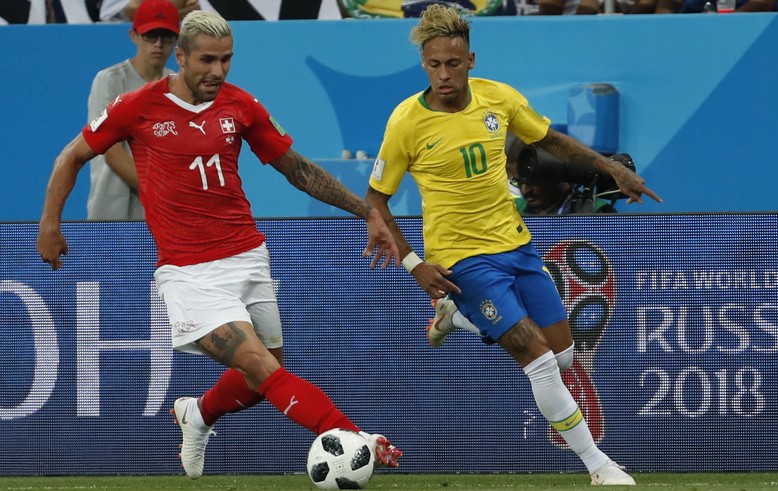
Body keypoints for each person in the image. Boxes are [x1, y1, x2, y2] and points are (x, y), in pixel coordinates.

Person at [37, 9, 402, 480]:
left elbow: (298, 169)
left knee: (259, 379)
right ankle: (356, 439)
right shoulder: (137, 106)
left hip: (248, 257)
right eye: (207, 60)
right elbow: (72, 156)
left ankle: (197, 415)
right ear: (181, 57)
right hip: (190, 274)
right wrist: (50, 224)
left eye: (226, 60)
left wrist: (367, 210)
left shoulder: (240, 105)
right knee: (261, 368)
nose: (217, 71)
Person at [365, 4, 661, 485]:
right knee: (539, 361)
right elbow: (375, 200)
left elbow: (552, 141)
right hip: (462, 259)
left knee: (564, 357)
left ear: (471, 60)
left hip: (517, 246)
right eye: (435, 64)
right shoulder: (406, 123)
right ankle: (599, 467)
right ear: (424, 64)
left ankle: (457, 316)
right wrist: (414, 264)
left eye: (454, 64)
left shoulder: (498, 99)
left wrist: (611, 168)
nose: (445, 74)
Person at [86, 0, 181, 220]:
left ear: (177, 40)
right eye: (150, 35)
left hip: (163, 216)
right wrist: (164, 192)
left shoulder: (179, 86)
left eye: (166, 36)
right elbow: (111, 152)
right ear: (134, 35)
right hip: (112, 211)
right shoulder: (109, 80)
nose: (158, 43)